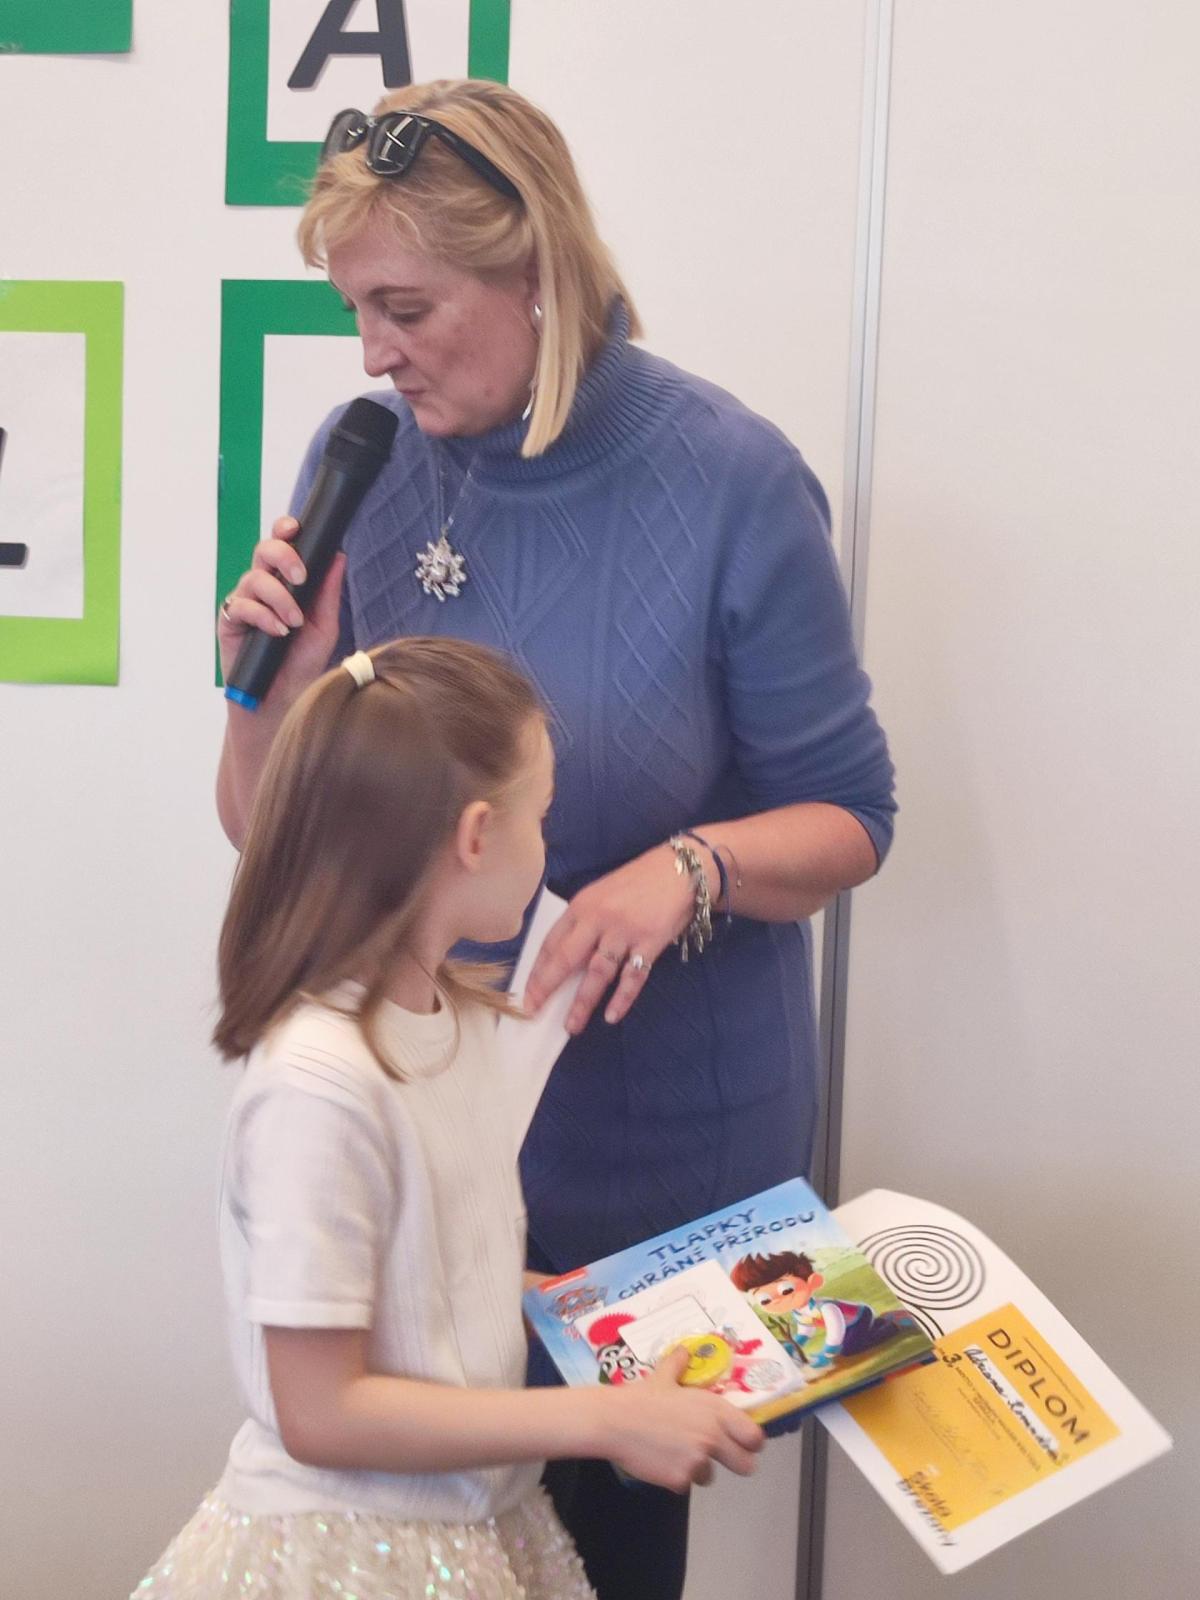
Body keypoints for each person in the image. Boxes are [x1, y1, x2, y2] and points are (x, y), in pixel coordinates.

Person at [216, 80, 895, 1600]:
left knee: (601, 1544)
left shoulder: (729, 477)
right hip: (424, 1130)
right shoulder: (365, 460)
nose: (374, 354)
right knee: (411, 1529)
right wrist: (272, 693)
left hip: (652, 1134)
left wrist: (690, 869)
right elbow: (281, 846)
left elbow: (854, 816)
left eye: (406, 309)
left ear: (536, 271)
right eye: (355, 312)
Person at [133, 637, 762, 1600]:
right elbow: (321, 1410)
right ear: (475, 836)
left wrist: (589, 1307)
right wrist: (602, 1423)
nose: (547, 848)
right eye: (540, 817)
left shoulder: (451, 1021)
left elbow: (427, 1272)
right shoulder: (319, 1085)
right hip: (349, 1559)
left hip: (472, 1524)